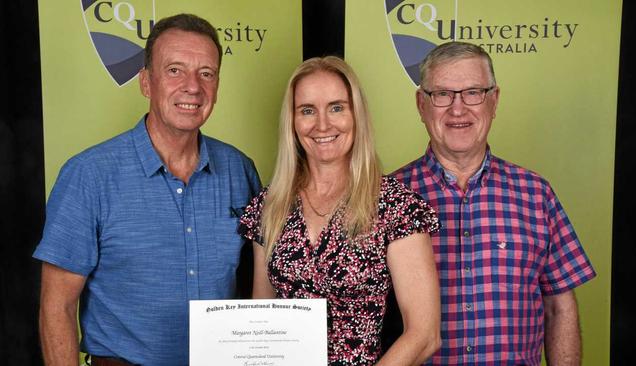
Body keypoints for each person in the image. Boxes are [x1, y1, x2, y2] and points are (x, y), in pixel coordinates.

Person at [33, 14, 261, 366]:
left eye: (206, 73)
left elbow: (257, 288)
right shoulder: (89, 176)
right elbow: (57, 306)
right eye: (174, 70)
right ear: (145, 83)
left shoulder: (239, 171)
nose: (193, 86)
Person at [390, 41, 596, 365]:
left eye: (473, 92)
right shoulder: (387, 198)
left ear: (494, 100)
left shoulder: (536, 194)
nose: (458, 109)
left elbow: (560, 307)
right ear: (421, 104)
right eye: (442, 94)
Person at [238, 56, 442, 365]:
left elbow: (424, 335)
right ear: (292, 122)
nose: (323, 124)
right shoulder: (269, 207)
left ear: (356, 115)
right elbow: (262, 321)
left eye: (336, 107)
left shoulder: (395, 206)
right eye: (307, 110)